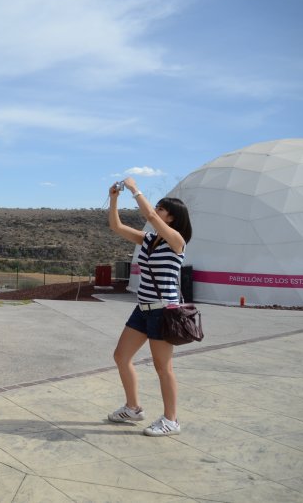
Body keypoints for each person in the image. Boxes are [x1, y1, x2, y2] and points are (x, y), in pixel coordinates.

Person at [107, 177, 192, 437]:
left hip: (164, 311)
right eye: (159, 207)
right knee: (121, 357)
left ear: (172, 218)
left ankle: (171, 420)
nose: (158, 211)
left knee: (162, 367)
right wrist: (113, 198)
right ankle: (133, 408)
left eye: (163, 209)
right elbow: (117, 226)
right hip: (142, 308)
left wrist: (134, 189)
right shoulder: (148, 240)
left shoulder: (177, 241)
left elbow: (151, 216)